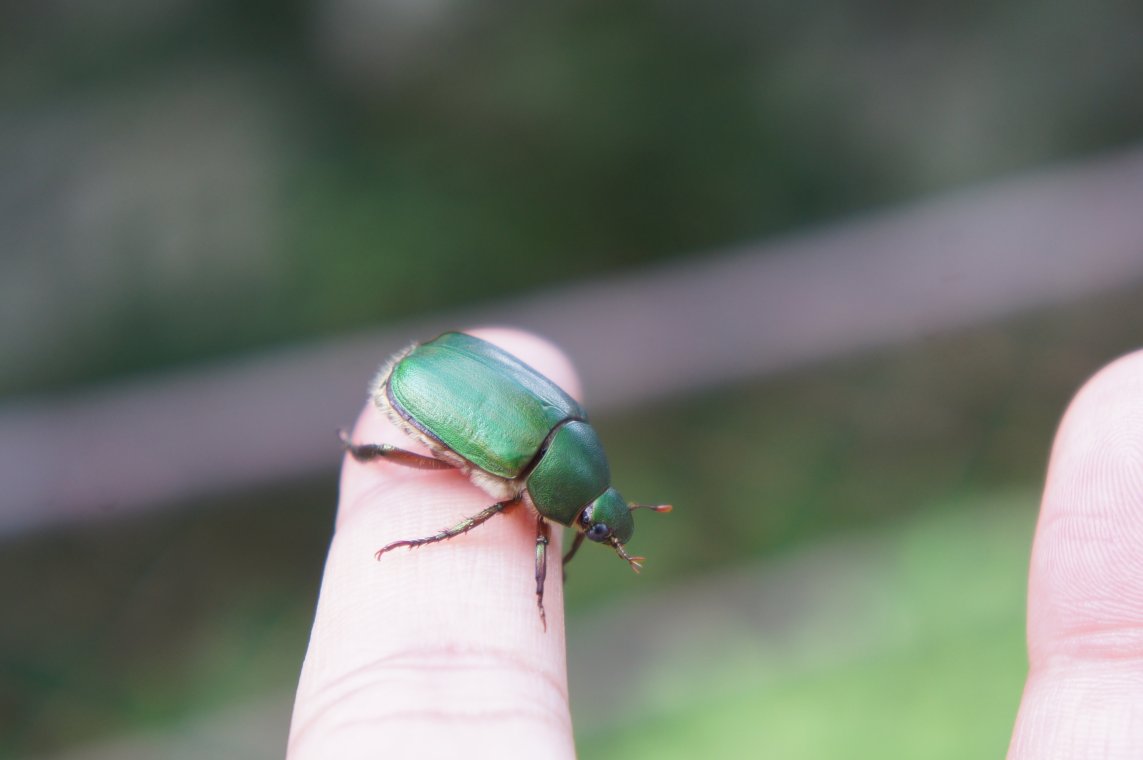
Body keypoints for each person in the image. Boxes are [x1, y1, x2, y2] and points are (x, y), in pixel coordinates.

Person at [286, 328, 1143, 758]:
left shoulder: (571, 457)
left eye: (589, 526)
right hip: (433, 392)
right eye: (587, 526)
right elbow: (492, 514)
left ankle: (363, 451)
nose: (584, 532)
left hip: (463, 375)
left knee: (452, 485)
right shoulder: (537, 475)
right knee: (437, 477)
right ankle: (363, 449)